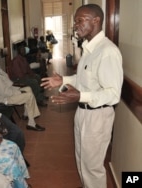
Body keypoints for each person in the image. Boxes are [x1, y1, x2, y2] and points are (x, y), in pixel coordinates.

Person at [41, 4, 123, 188]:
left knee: (92, 167)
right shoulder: (88, 48)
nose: (76, 25)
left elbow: (113, 94)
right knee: (81, 159)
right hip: (83, 112)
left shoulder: (107, 51)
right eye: (75, 21)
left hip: (98, 116)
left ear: (96, 20)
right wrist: (63, 80)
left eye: (80, 20)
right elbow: (83, 78)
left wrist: (80, 96)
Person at [0, 53, 46, 132]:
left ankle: (26, 114)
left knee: (28, 89)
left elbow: (8, 82)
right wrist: (19, 92)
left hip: (7, 92)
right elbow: (4, 92)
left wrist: (18, 90)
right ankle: (31, 123)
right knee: (28, 95)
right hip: (3, 99)